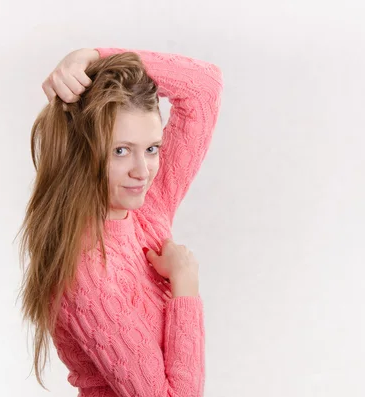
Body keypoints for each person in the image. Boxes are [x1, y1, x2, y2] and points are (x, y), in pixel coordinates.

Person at [17, 47, 223, 397]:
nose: (142, 172)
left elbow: (204, 87)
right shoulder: (85, 271)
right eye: (120, 151)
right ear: (82, 150)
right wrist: (185, 285)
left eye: (152, 148)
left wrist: (92, 56)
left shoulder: (146, 209)